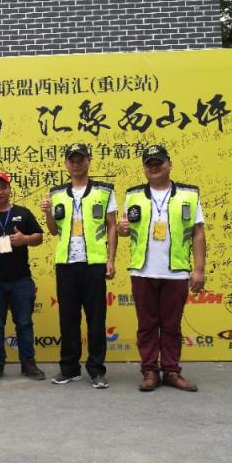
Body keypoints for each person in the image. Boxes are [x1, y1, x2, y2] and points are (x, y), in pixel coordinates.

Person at [117, 144, 205, 392]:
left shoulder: (189, 194)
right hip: (142, 271)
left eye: (159, 162)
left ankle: (171, 371)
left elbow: (198, 233)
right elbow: (125, 228)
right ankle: (149, 371)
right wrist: (122, 230)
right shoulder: (133, 195)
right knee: (146, 325)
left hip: (176, 271)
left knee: (171, 326)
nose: (154, 167)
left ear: (169, 164)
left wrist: (199, 269)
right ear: (144, 168)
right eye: (149, 163)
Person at [40, 143, 117, 389]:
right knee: (68, 318)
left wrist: (111, 260)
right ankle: (69, 368)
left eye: (81, 159)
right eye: (72, 160)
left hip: (94, 263)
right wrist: (47, 213)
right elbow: (54, 230)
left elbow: (112, 226)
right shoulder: (57, 193)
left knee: (96, 319)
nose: (76, 163)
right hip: (66, 264)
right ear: (66, 163)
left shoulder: (104, 191)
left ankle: (96, 369)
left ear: (88, 160)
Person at [0, 172, 45, 381]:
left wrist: (25, 239)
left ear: (10, 189)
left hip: (21, 279)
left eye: (3, 187)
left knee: (24, 323)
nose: (0, 192)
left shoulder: (23, 213)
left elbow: (39, 237)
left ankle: (28, 363)